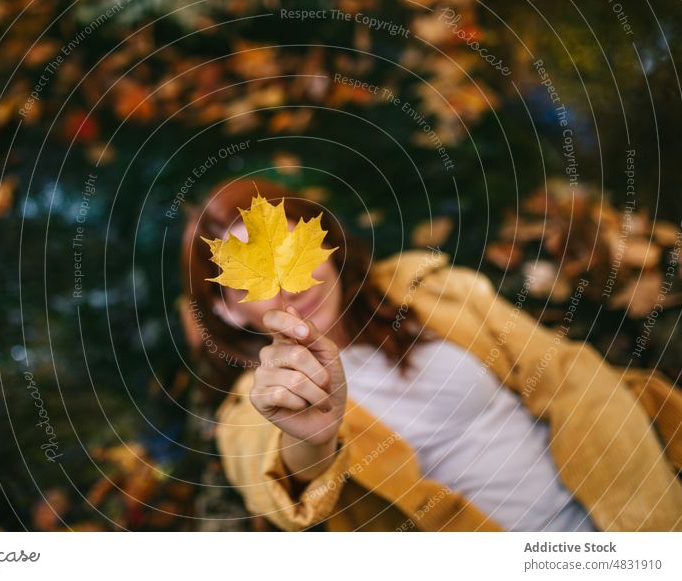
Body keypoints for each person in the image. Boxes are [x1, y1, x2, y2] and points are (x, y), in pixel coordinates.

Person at [180, 177, 682, 532]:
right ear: (226, 312)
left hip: (625, 515)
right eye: (255, 283)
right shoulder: (257, 406)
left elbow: (563, 374)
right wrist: (311, 442)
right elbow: (281, 486)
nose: (294, 284)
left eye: (295, 254)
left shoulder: (426, 289)